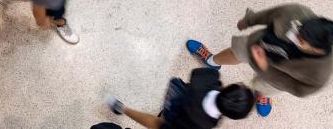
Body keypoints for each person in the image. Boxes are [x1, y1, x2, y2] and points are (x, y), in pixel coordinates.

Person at [186, 4, 333, 117]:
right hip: (257, 46)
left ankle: (262, 95)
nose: (294, 35)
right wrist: (249, 20)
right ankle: (212, 60)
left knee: (265, 86)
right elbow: (272, 14)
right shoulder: (298, 13)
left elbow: (299, 89)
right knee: (236, 52)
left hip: (277, 78)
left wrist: (265, 68)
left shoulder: (321, 73)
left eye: (301, 40)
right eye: (298, 30)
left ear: (316, 49)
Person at [106, 68, 254, 129]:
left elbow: (196, 73)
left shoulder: (210, 76)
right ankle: (121, 108)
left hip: (179, 96)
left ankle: (121, 107)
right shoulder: (207, 124)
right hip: (177, 122)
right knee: (157, 124)